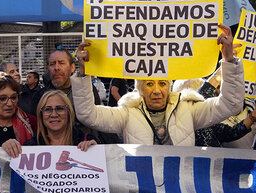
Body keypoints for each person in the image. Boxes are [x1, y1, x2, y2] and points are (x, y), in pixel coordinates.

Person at [72, 24, 245, 145]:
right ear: (139, 89)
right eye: (148, 84)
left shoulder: (188, 110)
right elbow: (88, 114)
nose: (156, 91)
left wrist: (229, 60)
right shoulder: (127, 114)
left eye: (162, 83)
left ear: (169, 86)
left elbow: (230, 104)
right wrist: (83, 72)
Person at [41, 48, 119, 144]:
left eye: (61, 63)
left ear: (72, 67)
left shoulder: (87, 89)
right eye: (52, 64)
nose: (56, 68)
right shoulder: (41, 96)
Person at [24, 90, 97, 151]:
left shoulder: (88, 140)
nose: (54, 114)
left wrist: (95, 150)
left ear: (69, 112)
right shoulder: (29, 147)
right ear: (41, 115)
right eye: (48, 109)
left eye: (59, 108)